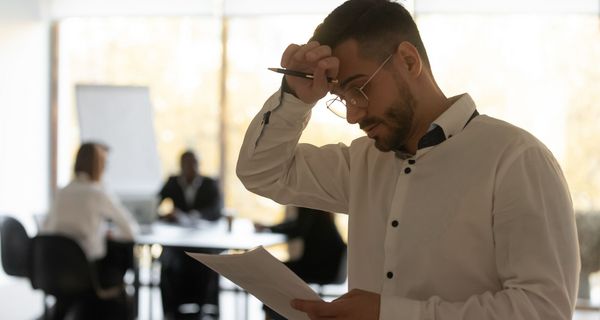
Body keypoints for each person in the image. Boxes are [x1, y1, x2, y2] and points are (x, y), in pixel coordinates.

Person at [236, 1, 580, 319]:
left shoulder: (516, 159)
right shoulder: (363, 163)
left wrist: (390, 314)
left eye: (359, 88)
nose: (354, 114)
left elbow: (543, 310)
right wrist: (295, 98)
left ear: (409, 61)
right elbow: (262, 172)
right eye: (341, 98)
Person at [43, 142, 139, 319]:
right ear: (99, 166)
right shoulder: (97, 193)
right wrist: (109, 234)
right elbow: (131, 231)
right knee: (121, 260)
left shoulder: (62, 192)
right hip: (89, 275)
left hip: (55, 272)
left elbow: (46, 230)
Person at [157, 149, 223, 319]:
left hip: (204, 242)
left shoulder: (209, 183)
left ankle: (204, 309)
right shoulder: (173, 182)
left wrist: (196, 215)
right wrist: (165, 215)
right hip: (177, 242)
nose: (191, 168)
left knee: (207, 264)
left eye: (194, 164)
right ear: (181, 166)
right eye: (186, 164)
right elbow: (155, 203)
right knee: (168, 262)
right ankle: (170, 312)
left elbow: (217, 210)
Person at [256, 206, 347, 320]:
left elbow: (297, 229)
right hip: (325, 266)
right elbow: (296, 226)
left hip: (321, 268)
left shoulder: (308, 205)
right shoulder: (319, 208)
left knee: (274, 271)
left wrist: (269, 228)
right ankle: (277, 312)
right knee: (276, 269)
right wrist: (269, 228)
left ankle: (276, 314)